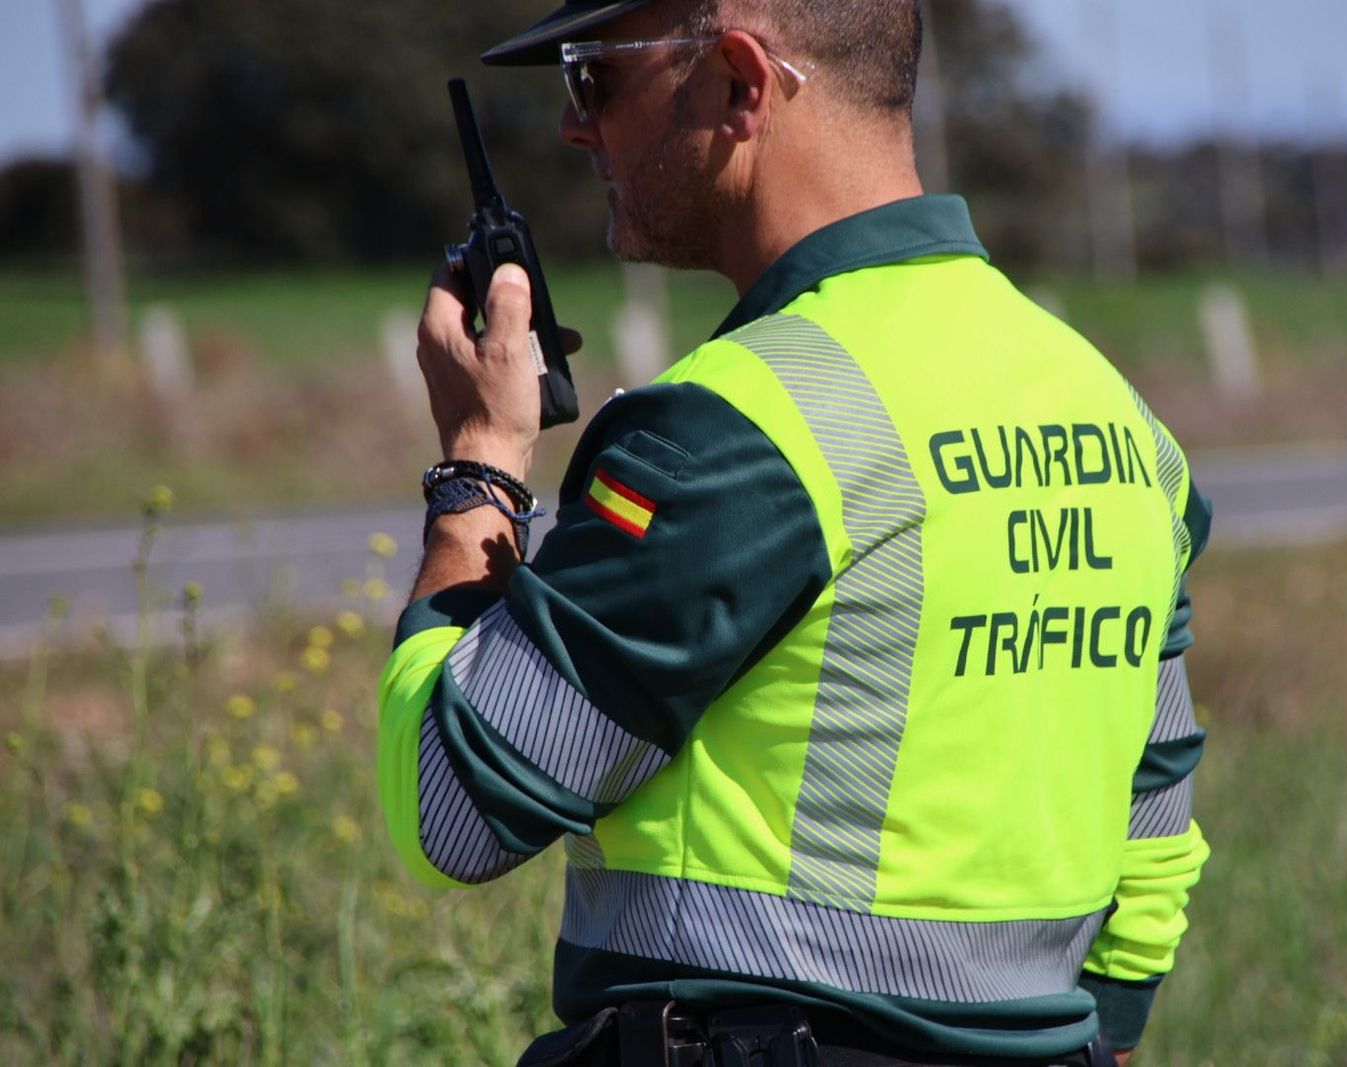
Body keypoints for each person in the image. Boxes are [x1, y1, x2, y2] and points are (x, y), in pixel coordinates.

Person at [377, 1, 1213, 1064]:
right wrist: (1107, 1029)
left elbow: (448, 809)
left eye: (592, 77)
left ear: (738, 80)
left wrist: (477, 466)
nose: (573, 127)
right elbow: (1155, 790)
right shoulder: (1116, 415)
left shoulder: (735, 432)